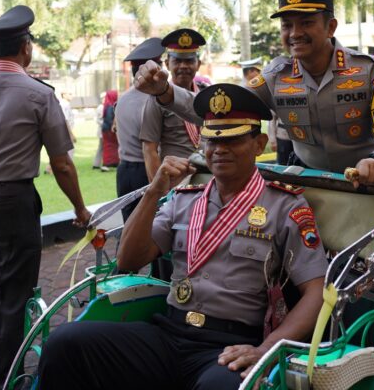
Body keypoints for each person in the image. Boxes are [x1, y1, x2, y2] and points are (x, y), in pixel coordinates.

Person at [37, 83, 328, 389]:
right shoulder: (185, 198)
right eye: (212, 140)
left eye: (233, 139)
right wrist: (153, 192)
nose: (219, 149)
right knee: (65, 342)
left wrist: (267, 349)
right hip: (169, 332)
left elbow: (316, 292)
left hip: (229, 345)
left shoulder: (284, 205)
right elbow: (129, 259)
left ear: (259, 144)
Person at [0, 6, 91, 389]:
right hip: (11, 198)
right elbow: (61, 164)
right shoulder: (39, 95)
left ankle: (3, 363)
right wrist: (79, 206)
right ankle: (5, 379)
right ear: (25, 48)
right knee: (15, 292)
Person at [136, 0, 374, 187]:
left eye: (306, 23)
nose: (294, 33)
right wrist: (165, 92)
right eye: (287, 25)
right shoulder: (276, 76)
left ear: (331, 27)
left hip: (368, 183)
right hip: (308, 184)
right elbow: (220, 109)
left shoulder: (371, 70)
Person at [140, 29, 208, 181]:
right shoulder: (156, 98)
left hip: (208, 176)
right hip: (176, 180)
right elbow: (149, 149)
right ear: (167, 64)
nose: (183, 66)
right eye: (177, 61)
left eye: (189, 61)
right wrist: (159, 191)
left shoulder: (207, 95)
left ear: (198, 64)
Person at [116, 38, 164, 214]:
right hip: (146, 171)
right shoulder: (152, 101)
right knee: (149, 230)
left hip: (125, 171)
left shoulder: (123, 99)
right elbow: (151, 149)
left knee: (129, 227)